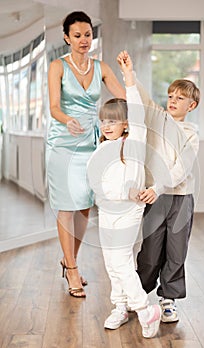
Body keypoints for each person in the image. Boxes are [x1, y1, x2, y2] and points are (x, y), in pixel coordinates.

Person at [46, 11, 126, 298]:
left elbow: (123, 97)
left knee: (84, 206)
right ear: (67, 37)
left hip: (91, 143)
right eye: (77, 35)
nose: (83, 40)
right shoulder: (57, 66)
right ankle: (72, 269)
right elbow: (54, 106)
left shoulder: (101, 66)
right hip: (63, 143)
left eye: (88, 34)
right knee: (66, 206)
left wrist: (129, 77)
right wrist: (67, 119)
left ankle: (70, 260)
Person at [87, 51, 161, 338]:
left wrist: (128, 76)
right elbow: (96, 180)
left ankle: (144, 309)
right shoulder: (102, 148)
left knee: (119, 260)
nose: (107, 126)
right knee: (115, 261)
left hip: (129, 210)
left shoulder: (135, 141)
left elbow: (137, 109)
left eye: (113, 121)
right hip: (106, 210)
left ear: (126, 124)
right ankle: (120, 306)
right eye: (103, 121)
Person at [136, 77, 200, 323]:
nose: (173, 101)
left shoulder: (191, 134)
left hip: (180, 199)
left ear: (191, 106)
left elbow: (182, 167)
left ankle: (168, 299)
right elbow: (142, 99)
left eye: (180, 98)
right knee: (150, 252)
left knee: (176, 251)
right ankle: (138, 294)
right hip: (156, 196)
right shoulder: (157, 121)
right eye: (171, 96)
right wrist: (130, 74)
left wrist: (158, 186)